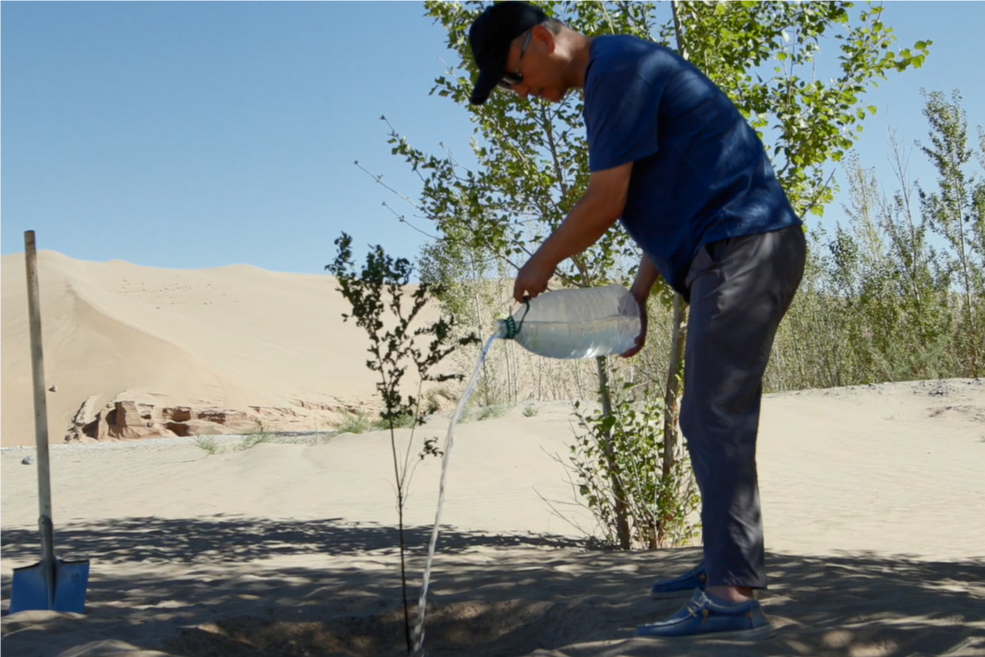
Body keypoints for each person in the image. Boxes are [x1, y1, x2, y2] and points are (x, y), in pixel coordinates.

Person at [466, 0, 807, 639]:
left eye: (512, 76)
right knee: (698, 413)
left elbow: (606, 200)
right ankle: (719, 563)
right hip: (724, 249)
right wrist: (639, 295)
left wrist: (541, 261)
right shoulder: (617, 70)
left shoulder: (615, 70)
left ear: (540, 37)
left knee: (715, 413)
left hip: (743, 245)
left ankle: (732, 596)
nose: (520, 94)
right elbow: (664, 197)